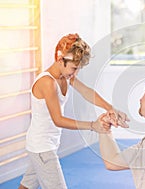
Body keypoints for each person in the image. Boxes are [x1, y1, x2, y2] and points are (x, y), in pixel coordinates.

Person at [18, 33, 128, 189]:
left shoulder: (66, 76)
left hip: (46, 144)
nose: (75, 73)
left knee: (27, 186)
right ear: (59, 58)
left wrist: (110, 108)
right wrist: (93, 125)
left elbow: (86, 92)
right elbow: (58, 120)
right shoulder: (47, 82)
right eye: (74, 68)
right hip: (42, 148)